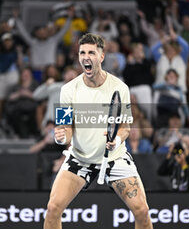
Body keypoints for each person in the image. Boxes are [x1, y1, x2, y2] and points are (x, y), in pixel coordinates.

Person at [44, 33, 153, 228]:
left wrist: (116, 141)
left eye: (91, 52)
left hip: (114, 158)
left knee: (142, 212)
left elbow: (125, 127)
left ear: (101, 57)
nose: (86, 57)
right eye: (82, 52)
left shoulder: (120, 88)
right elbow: (66, 130)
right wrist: (61, 138)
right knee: (53, 209)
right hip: (80, 159)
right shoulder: (68, 90)